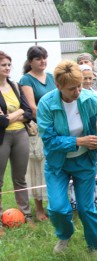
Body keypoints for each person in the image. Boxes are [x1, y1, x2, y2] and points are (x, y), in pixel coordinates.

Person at [37, 60, 97, 254]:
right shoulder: (46, 104)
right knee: (58, 209)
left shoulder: (88, 97)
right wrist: (79, 141)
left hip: (84, 161)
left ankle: (95, 247)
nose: (77, 92)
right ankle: (65, 235)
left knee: (86, 208)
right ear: (58, 86)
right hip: (57, 163)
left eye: (79, 86)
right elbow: (50, 140)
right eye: (71, 89)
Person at [68, 64, 97, 212]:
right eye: (85, 78)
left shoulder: (94, 95)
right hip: (81, 143)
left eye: (90, 78)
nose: (88, 81)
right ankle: (85, 205)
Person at [19, 46, 56, 222]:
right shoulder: (26, 79)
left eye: (44, 57)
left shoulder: (51, 77)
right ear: (31, 61)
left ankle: (54, 205)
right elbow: (32, 108)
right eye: (38, 58)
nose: (43, 61)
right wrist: (51, 118)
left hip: (55, 126)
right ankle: (39, 209)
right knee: (37, 168)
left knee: (52, 167)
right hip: (38, 128)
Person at [0, 51, 34, 235]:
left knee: (20, 178)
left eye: (8, 64)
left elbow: (28, 112)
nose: (6, 68)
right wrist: (18, 113)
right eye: (3, 64)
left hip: (20, 135)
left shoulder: (15, 86)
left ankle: (26, 215)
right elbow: (2, 122)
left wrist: (14, 115)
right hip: (2, 138)